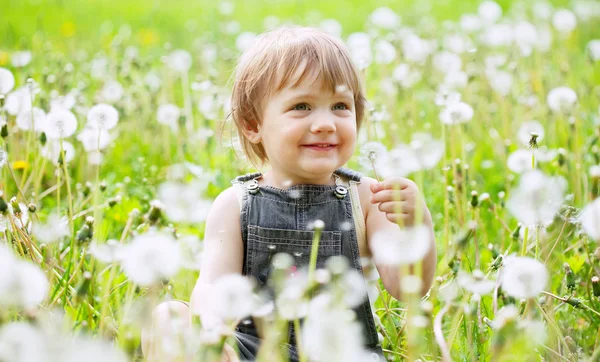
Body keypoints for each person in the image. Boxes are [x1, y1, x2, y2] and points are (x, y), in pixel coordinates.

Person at [143, 25, 437, 362]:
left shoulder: (369, 199)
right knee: (168, 318)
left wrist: (418, 225)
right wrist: (212, 334)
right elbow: (212, 286)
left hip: (341, 352)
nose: (326, 122)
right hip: (254, 351)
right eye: (302, 106)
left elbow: (407, 287)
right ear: (252, 124)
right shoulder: (235, 204)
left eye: (340, 106)